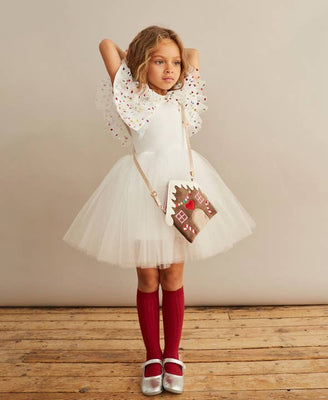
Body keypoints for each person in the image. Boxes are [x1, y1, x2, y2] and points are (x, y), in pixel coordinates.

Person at [62, 25, 256, 395]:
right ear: (140, 66)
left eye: (175, 64)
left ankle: (172, 356)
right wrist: (135, 59)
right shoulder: (133, 98)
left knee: (174, 278)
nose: (170, 69)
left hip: (182, 190)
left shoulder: (184, 98)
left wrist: (175, 56)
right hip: (143, 192)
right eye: (159, 62)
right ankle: (152, 355)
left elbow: (193, 54)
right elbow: (107, 46)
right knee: (148, 279)